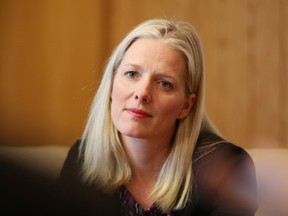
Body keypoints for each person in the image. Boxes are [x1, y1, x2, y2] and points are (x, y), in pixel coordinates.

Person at [59, 18, 258, 216]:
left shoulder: (225, 167)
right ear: (111, 86)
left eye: (164, 84)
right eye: (131, 74)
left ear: (186, 106)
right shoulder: (82, 160)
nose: (142, 93)